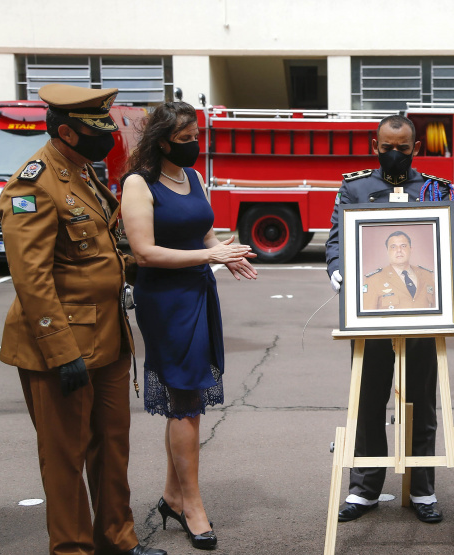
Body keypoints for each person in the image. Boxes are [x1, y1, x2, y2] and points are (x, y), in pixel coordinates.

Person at [0, 84, 166, 555]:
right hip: (61, 346)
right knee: (65, 458)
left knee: (112, 447)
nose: (110, 137)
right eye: (100, 130)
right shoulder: (33, 183)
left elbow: (96, 252)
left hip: (108, 338)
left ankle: (118, 539)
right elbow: (30, 280)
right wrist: (60, 352)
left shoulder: (81, 172)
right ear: (68, 132)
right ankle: (71, 549)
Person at [120, 102, 257, 550]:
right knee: (185, 396)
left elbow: (202, 234)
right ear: (162, 141)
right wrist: (210, 256)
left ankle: (173, 496)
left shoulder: (192, 178)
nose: (195, 145)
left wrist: (225, 252)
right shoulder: (139, 184)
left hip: (198, 291)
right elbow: (144, 252)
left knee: (189, 398)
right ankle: (192, 505)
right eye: (185, 139)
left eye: (196, 136)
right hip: (165, 300)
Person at [326, 115, 454, 524]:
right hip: (371, 312)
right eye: (387, 146)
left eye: (403, 148)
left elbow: (449, 242)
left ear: (416, 148)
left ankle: (422, 488)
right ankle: (365, 487)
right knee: (369, 398)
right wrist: (338, 271)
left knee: (420, 400)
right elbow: (336, 240)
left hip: (422, 309)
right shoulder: (354, 188)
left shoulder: (435, 189)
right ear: (375, 145)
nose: (394, 154)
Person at [363, 230, 437, 310]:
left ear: (411, 249)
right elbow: (367, 318)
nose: (399, 250)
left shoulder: (427, 275)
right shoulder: (373, 280)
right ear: (387, 251)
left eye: (403, 246)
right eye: (393, 247)